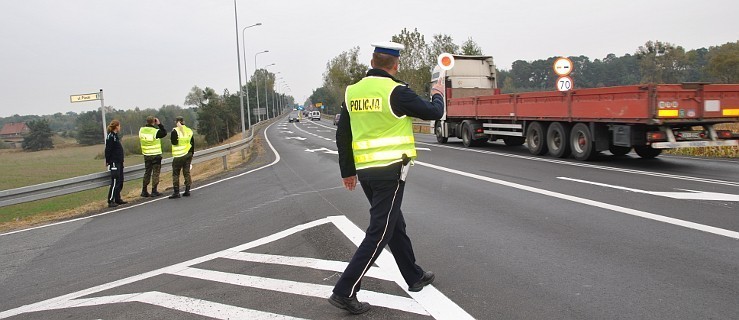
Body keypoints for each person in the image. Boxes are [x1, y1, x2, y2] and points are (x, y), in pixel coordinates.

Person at [329, 41, 445, 314]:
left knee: (394, 224)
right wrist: (438, 93)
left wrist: (347, 171)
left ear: (372, 62)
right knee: (380, 232)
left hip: (366, 172)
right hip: (390, 171)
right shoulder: (397, 92)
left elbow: (342, 134)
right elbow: (434, 112)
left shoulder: (352, 92)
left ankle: (413, 276)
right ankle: (344, 290)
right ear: (395, 65)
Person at [139, 115, 167, 197]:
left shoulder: (141, 130)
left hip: (146, 154)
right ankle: (154, 190)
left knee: (147, 172)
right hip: (155, 155)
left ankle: (144, 190)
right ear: (154, 122)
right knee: (155, 173)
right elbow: (164, 132)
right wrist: (159, 124)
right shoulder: (155, 131)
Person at [169, 116, 194, 199]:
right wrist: (191, 154)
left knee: (176, 174)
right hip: (188, 153)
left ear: (176, 122)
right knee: (186, 172)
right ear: (184, 121)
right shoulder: (189, 130)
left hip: (179, 155)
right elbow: (192, 143)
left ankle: (176, 192)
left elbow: (174, 142)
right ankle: (187, 190)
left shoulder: (175, 131)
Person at [104, 119, 127, 208]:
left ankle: (117, 198)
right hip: (114, 162)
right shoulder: (110, 137)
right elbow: (108, 149)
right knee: (115, 181)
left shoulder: (115, 136)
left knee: (120, 181)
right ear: (116, 126)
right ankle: (111, 200)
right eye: (119, 126)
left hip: (119, 162)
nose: (120, 127)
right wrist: (107, 161)